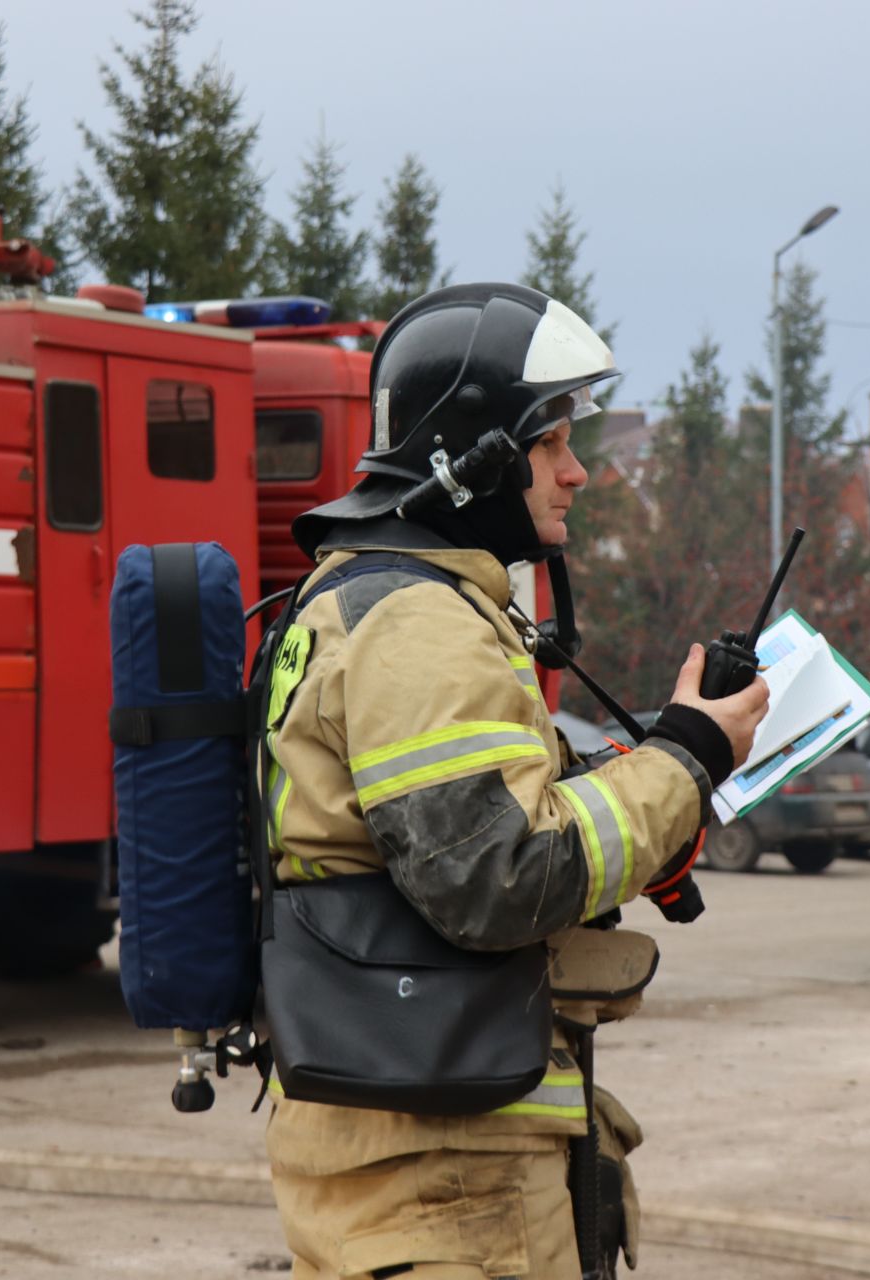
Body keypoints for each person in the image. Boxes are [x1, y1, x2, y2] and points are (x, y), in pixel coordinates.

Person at [259, 282, 769, 1280]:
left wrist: (672, 760)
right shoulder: (414, 622)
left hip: (442, 1159)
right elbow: (495, 873)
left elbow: (495, 823)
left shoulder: (386, 599)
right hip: (445, 1187)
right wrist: (686, 758)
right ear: (472, 453)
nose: (576, 472)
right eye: (551, 443)